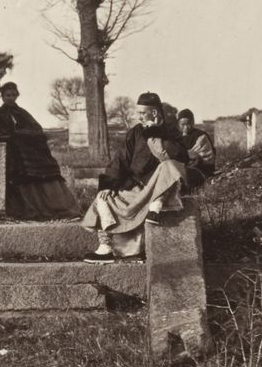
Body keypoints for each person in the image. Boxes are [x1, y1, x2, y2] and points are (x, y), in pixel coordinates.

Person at [81, 92, 190, 263]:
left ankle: (155, 207)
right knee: (103, 198)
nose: (138, 117)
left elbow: (172, 159)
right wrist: (110, 184)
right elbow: (121, 159)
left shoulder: (171, 132)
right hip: (134, 185)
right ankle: (106, 249)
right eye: (138, 113)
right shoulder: (135, 132)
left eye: (142, 113)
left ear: (154, 113)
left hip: (159, 187)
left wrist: (153, 134)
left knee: (168, 166)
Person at [0, 81, 80, 220]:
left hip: (29, 150)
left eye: (14, 95)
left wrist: (20, 134)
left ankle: (52, 206)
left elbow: (36, 129)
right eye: (8, 95)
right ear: (2, 96)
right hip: (13, 152)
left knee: (42, 170)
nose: (11, 98)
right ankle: (27, 208)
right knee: (21, 175)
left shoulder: (22, 113)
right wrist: (12, 136)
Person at [176, 109, 216, 189]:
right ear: (178, 124)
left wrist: (186, 156)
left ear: (193, 122)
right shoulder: (176, 137)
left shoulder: (201, 136)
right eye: (182, 124)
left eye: (189, 124)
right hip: (181, 169)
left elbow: (206, 156)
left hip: (201, 170)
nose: (186, 127)